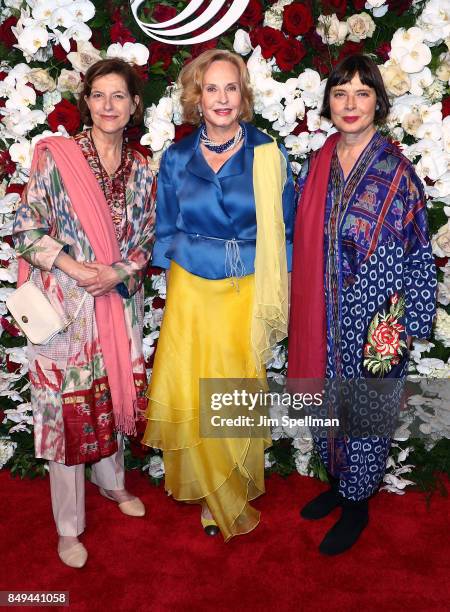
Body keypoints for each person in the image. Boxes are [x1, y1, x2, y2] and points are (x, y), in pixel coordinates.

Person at [142, 49, 295, 540]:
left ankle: (231, 485)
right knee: (193, 384)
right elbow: (164, 227)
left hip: (245, 286)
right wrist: (170, 282)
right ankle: (211, 490)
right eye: (212, 88)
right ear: (197, 97)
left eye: (231, 88)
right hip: (191, 289)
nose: (222, 98)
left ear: (244, 96)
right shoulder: (178, 156)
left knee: (235, 388)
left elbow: (286, 231)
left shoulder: (267, 153)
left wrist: (279, 287)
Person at [288, 54, 437, 555]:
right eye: (340, 93)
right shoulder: (319, 162)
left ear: (379, 102)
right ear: (329, 101)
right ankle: (337, 482)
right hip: (323, 308)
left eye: (362, 93)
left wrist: (412, 319)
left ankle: (357, 505)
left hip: (377, 313)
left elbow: (418, 247)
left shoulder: (396, 172)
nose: (350, 104)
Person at [13, 58, 156, 568]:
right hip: (66, 311)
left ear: (134, 105)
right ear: (86, 102)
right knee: (68, 414)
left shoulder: (142, 168)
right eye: (99, 95)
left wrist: (116, 273)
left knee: (113, 395)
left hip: (116, 305)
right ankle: (68, 526)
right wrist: (76, 268)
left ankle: (113, 483)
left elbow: (145, 240)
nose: (109, 106)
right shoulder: (56, 157)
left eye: (119, 96)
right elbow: (25, 229)